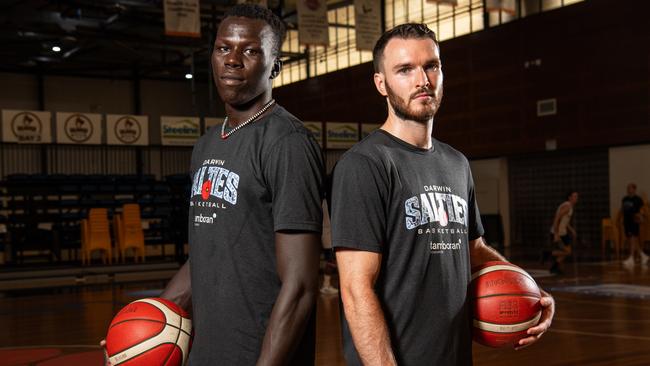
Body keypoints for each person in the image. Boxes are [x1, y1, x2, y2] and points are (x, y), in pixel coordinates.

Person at [105, 4, 324, 366]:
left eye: (251, 50)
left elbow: (300, 286)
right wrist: (135, 333)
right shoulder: (207, 144)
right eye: (224, 48)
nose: (233, 60)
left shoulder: (288, 143)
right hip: (205, 354)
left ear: (276, 66)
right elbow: (204, 258)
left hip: (260, 355)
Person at [330, 23, 555, 366]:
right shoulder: (365, 165)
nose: (422, 80)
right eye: (405, 70)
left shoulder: (456, 163)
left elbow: (474, 250)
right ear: (381, 83)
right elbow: (355, 288)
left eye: (431, 65)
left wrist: (529, 289)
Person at [549, 191, 578, 274]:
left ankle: (555, 267)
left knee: (567, 252)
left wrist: (571, 229)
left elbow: (565, 220)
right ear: (569, 197)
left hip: (563, 232)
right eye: (574, 196)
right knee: (567, 252)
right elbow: (557, 218)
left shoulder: (569, 206)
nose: (576, 198)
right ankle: (549, 255)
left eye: (577, 196)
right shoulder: (567, 206)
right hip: (559, 233)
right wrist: (556, 233)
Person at [621, 183, 647, 266]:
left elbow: (642, 211)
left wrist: (641, 218)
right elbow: (622, 210)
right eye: (627, 188)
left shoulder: (638, 199)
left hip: (634, 221)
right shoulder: (624, 199)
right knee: (632, 240)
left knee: (633, 238)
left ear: (634, 189)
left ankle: (631, 257)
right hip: (626, 221)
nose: (628, 189)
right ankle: (643, 256)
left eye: (630, 188)